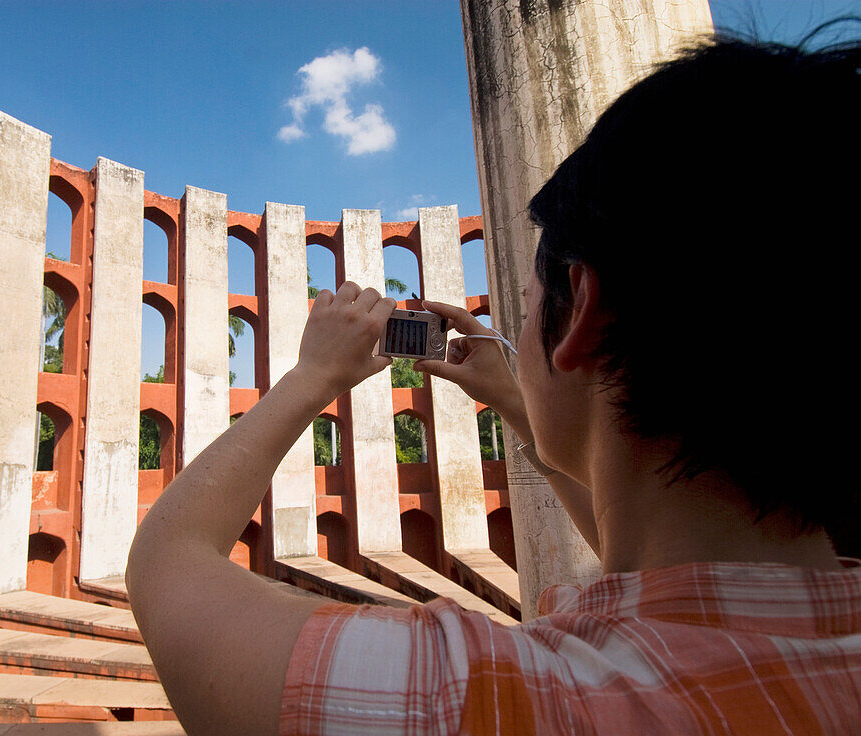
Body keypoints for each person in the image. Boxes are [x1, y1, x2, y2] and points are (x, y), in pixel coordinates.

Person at [126, 32, 860, 735]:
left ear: (583, 313)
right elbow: (676, 554)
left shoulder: (470, 698)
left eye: (531, 300)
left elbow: (165, 567)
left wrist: (314, 375)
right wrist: (512, 395)